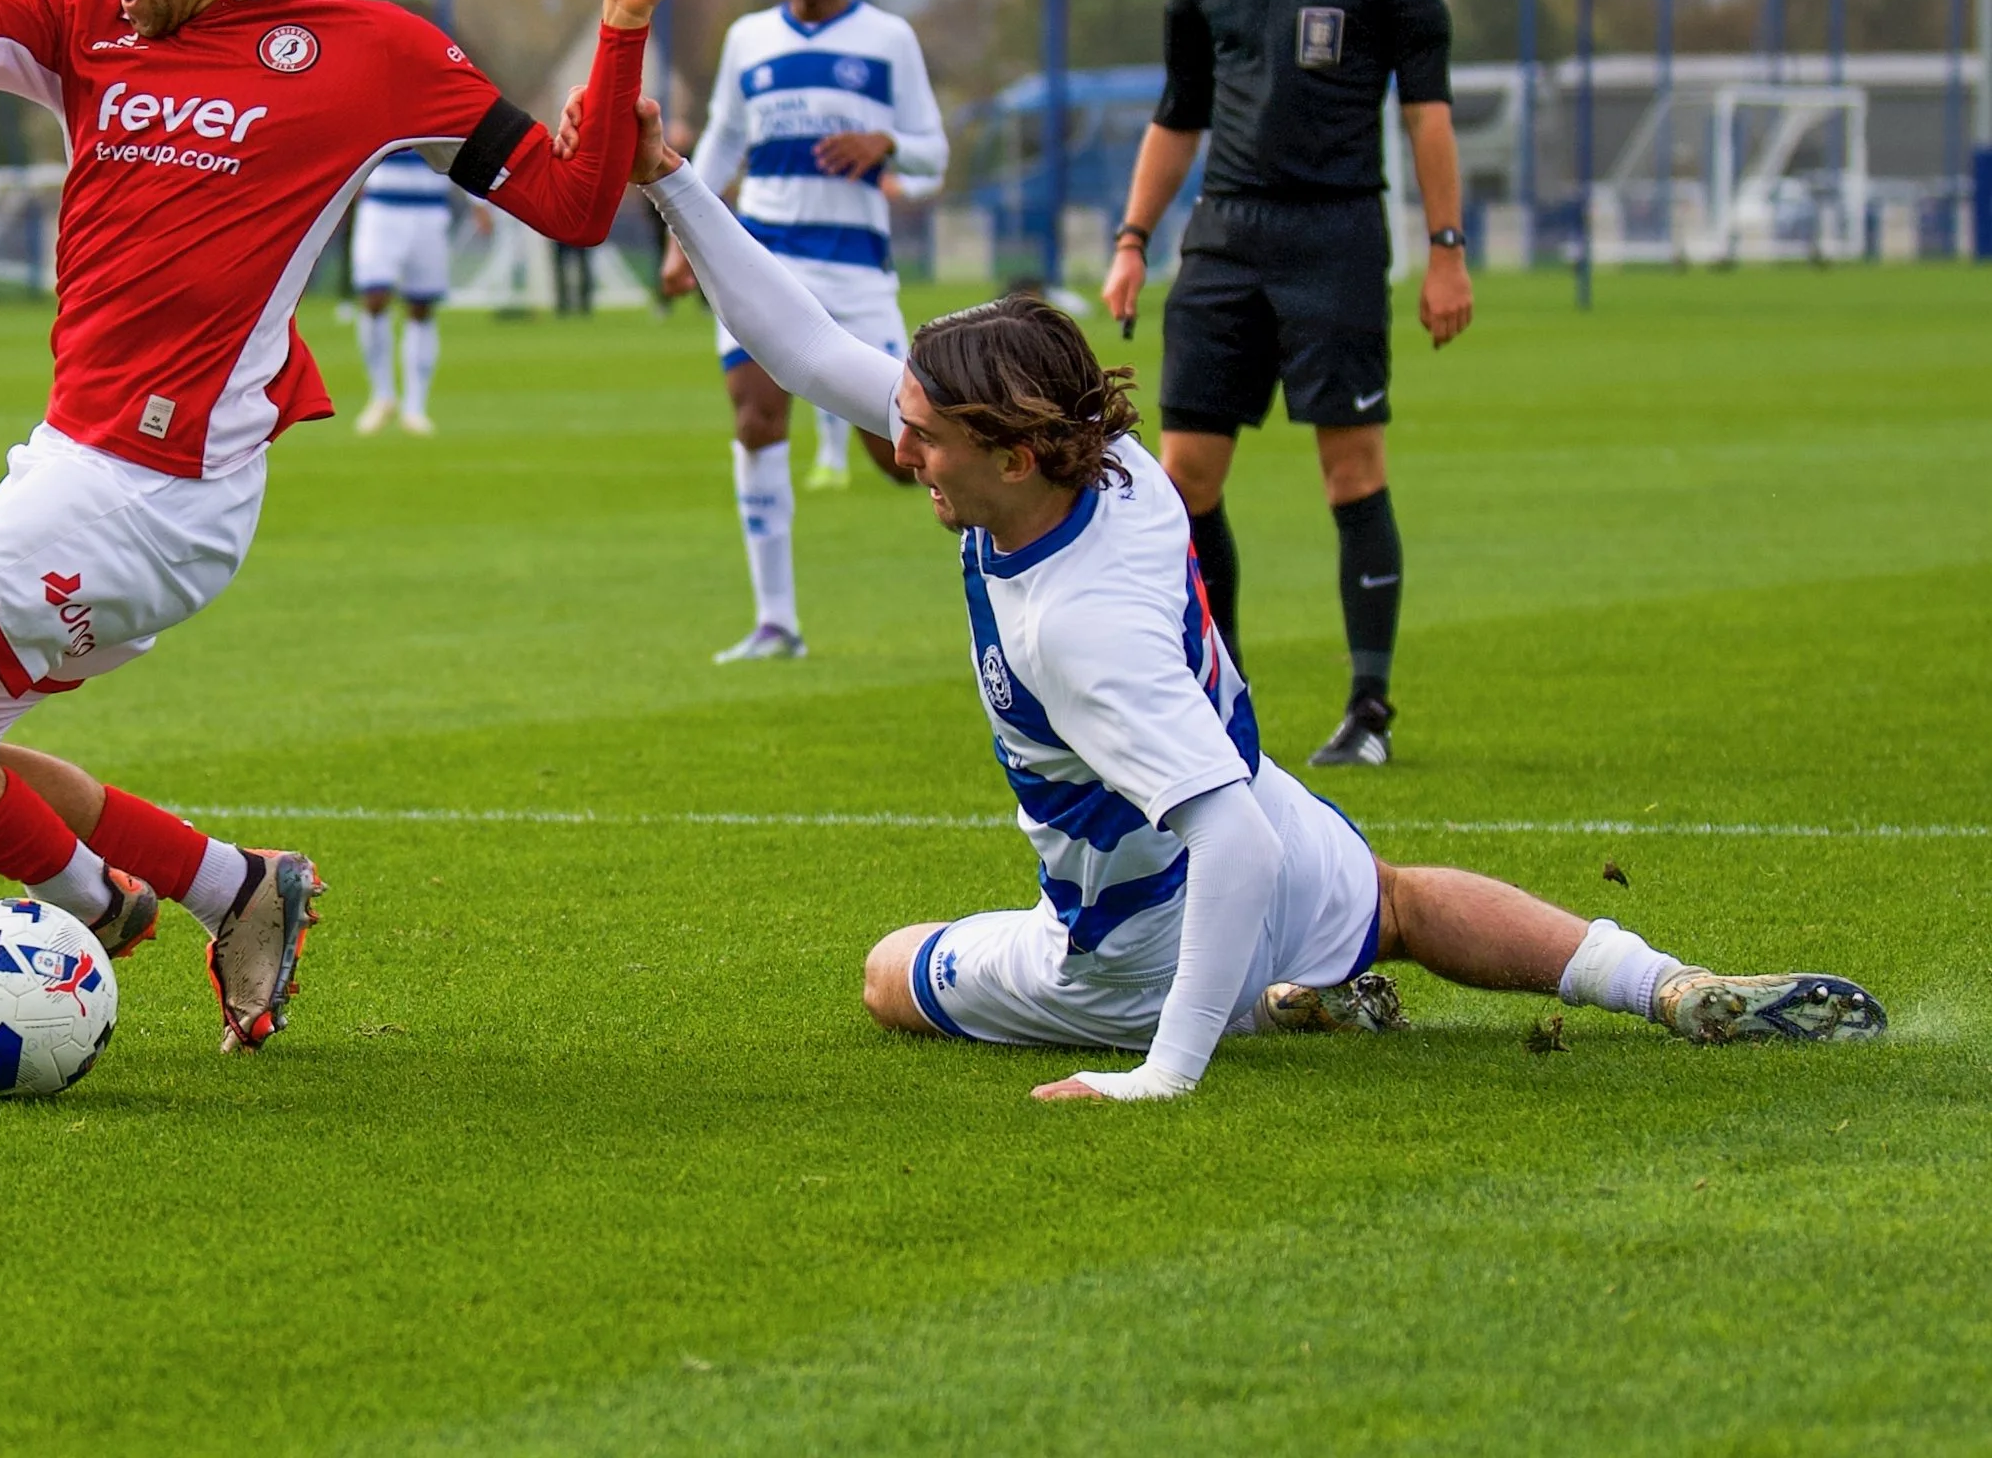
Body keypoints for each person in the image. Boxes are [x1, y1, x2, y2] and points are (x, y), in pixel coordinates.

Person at [625, 98, 1883, 1102]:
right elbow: (805, 348)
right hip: (1250, 792)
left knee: (886, 968)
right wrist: (669, 175)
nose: (901, 448)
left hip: (1133, 942)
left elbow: (1228, 843)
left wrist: (1161, 1075)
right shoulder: (1103, 461)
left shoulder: (1079, 626)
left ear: (1011, 452)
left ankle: (1237, 1004)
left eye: (924, 436)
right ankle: (1664, 987)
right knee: (1391, 897)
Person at [0, 0, 686, 1051]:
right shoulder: (79, 26)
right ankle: (239, 888)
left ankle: (95, 908)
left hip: (150, 500)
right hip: (67, 471)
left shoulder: (368, 53)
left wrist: (619, 23)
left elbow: (576, 205)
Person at [1103, 0, 1472, 770]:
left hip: (1337, 235)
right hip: (1223, 238)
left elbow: (1428, 118)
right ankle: (1217, 691)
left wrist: (1446, 250)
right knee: (1184, 477)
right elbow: (1175, 118)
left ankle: (1368, 708)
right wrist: (1133, 239)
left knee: (1349, 471)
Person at [664, 0, 948, 663]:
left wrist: (884, 143)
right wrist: (679, 235)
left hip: (856, 271)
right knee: (756, 421)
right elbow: (722, 141)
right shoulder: (750, 39)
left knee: (904, 454)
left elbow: (934, 152)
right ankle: (776, 622)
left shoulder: (887, 38)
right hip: (762, 258)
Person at [349, 147, 487, 436]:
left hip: (429, 209)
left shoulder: (444, 103)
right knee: (375, 297)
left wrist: (479, 201)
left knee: (421, 306)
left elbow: (459, 146)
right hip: (381, 208)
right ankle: (382, 394)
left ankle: (415, 407)